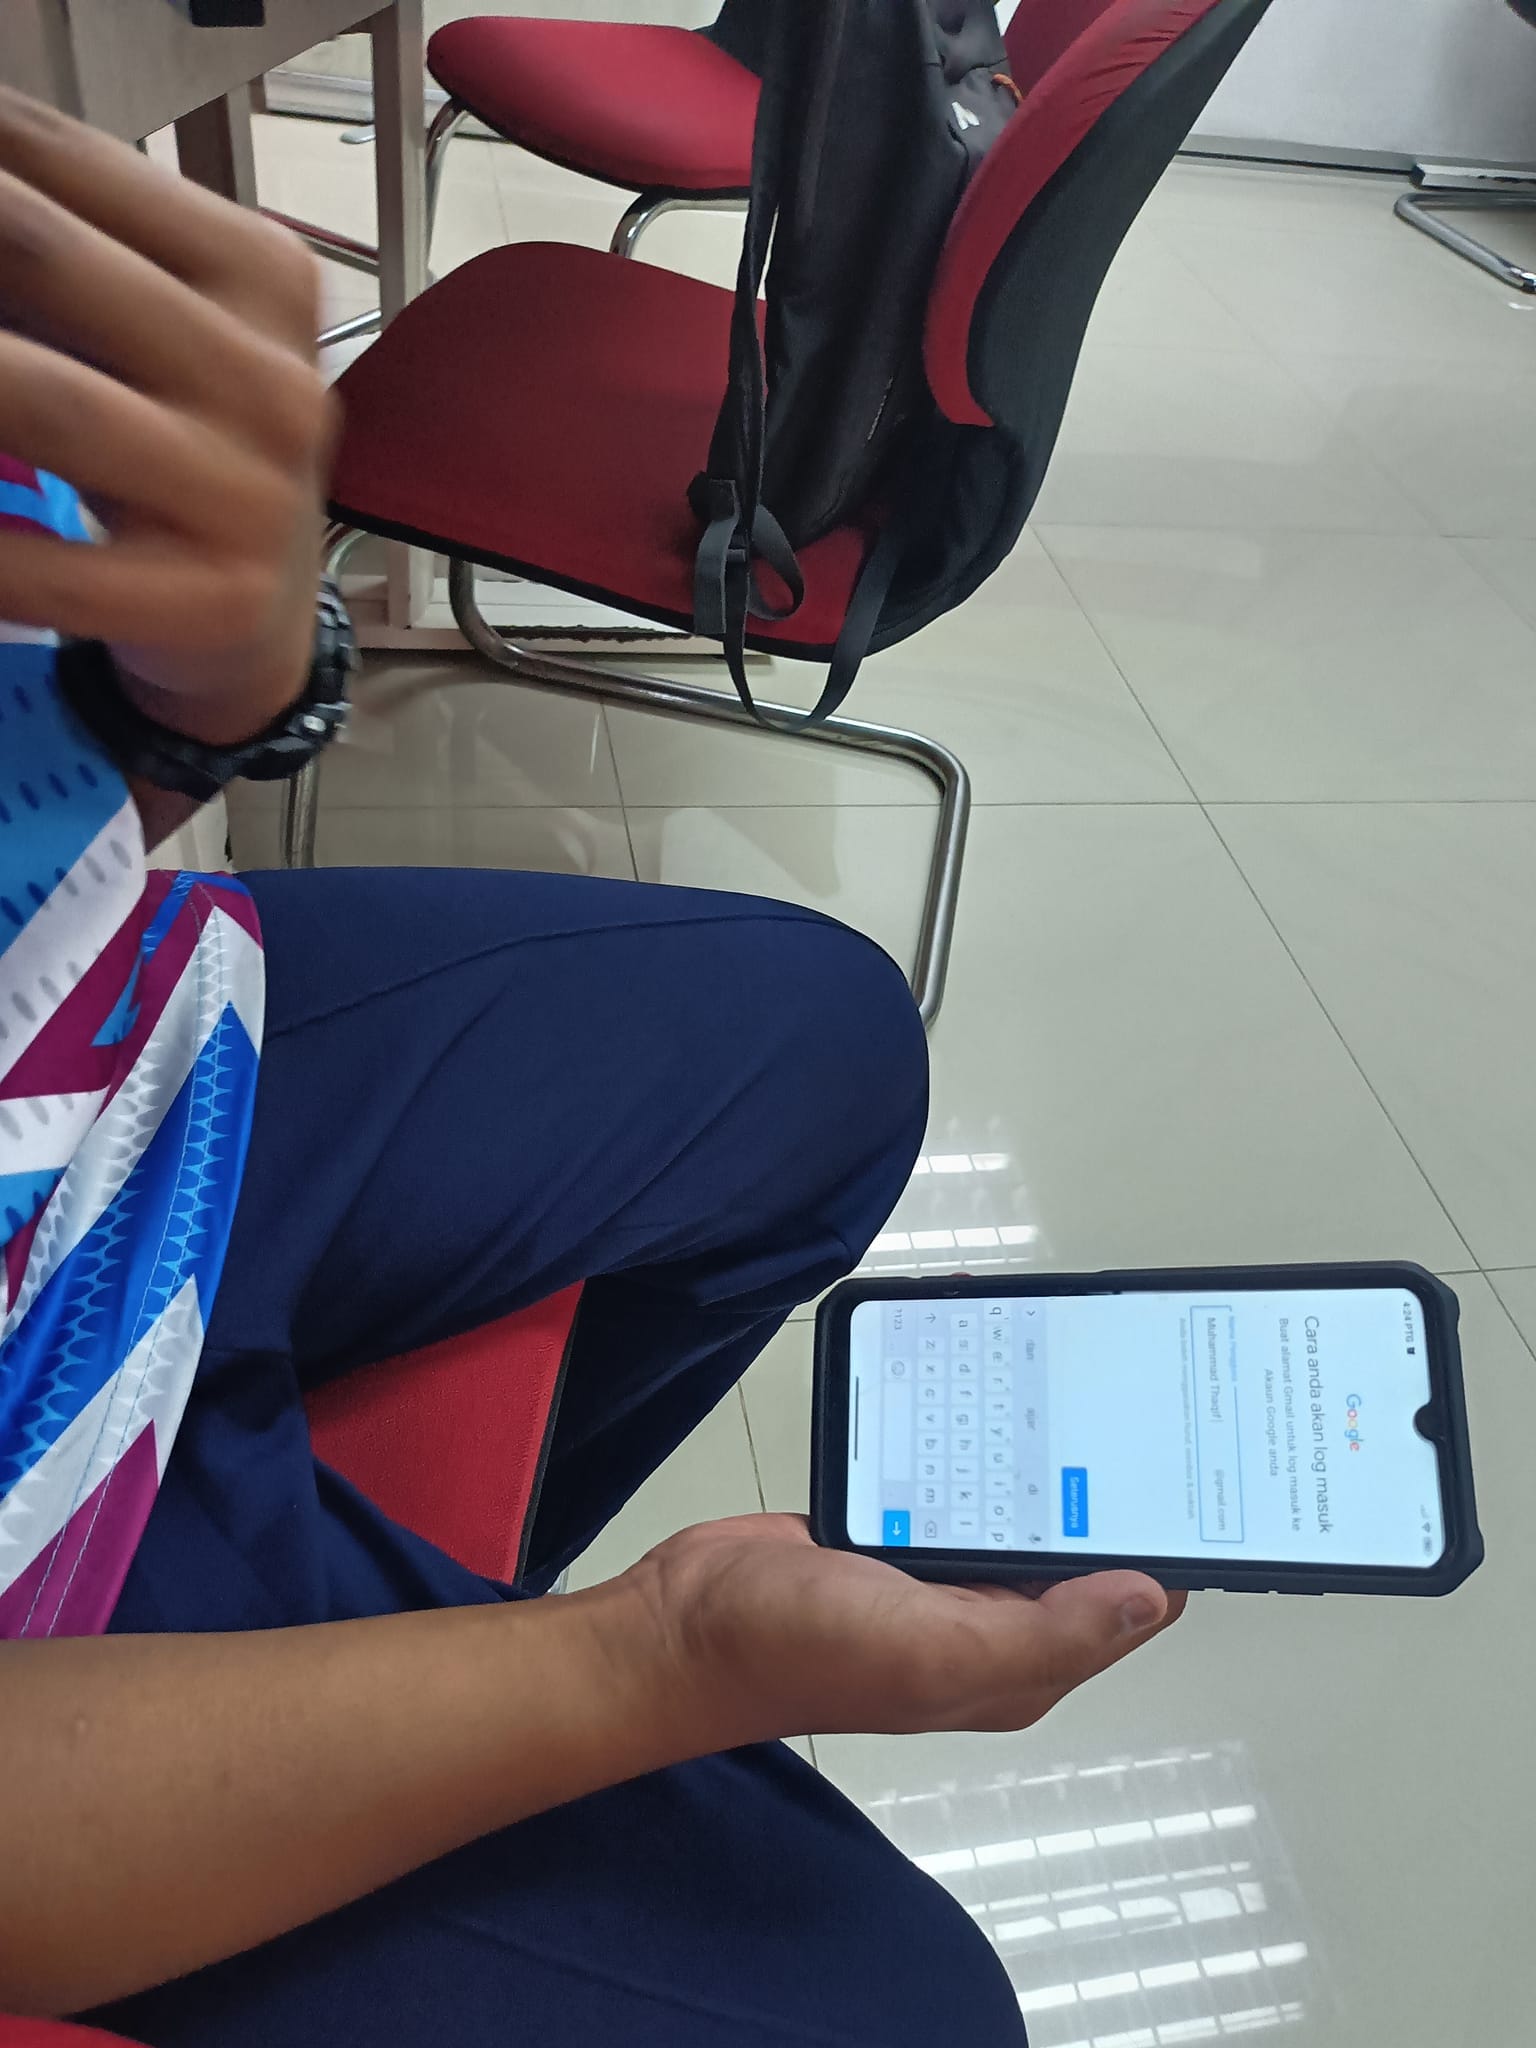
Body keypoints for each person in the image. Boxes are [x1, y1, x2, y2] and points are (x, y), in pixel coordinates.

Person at [0, 87, 1183, 2047]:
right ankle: (319, 1627)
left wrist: (215, 678)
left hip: (115, 1053)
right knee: (887, 2017)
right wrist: (652, 1659)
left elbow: (77, 744)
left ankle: (376, 1582)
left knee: (819, 1045)